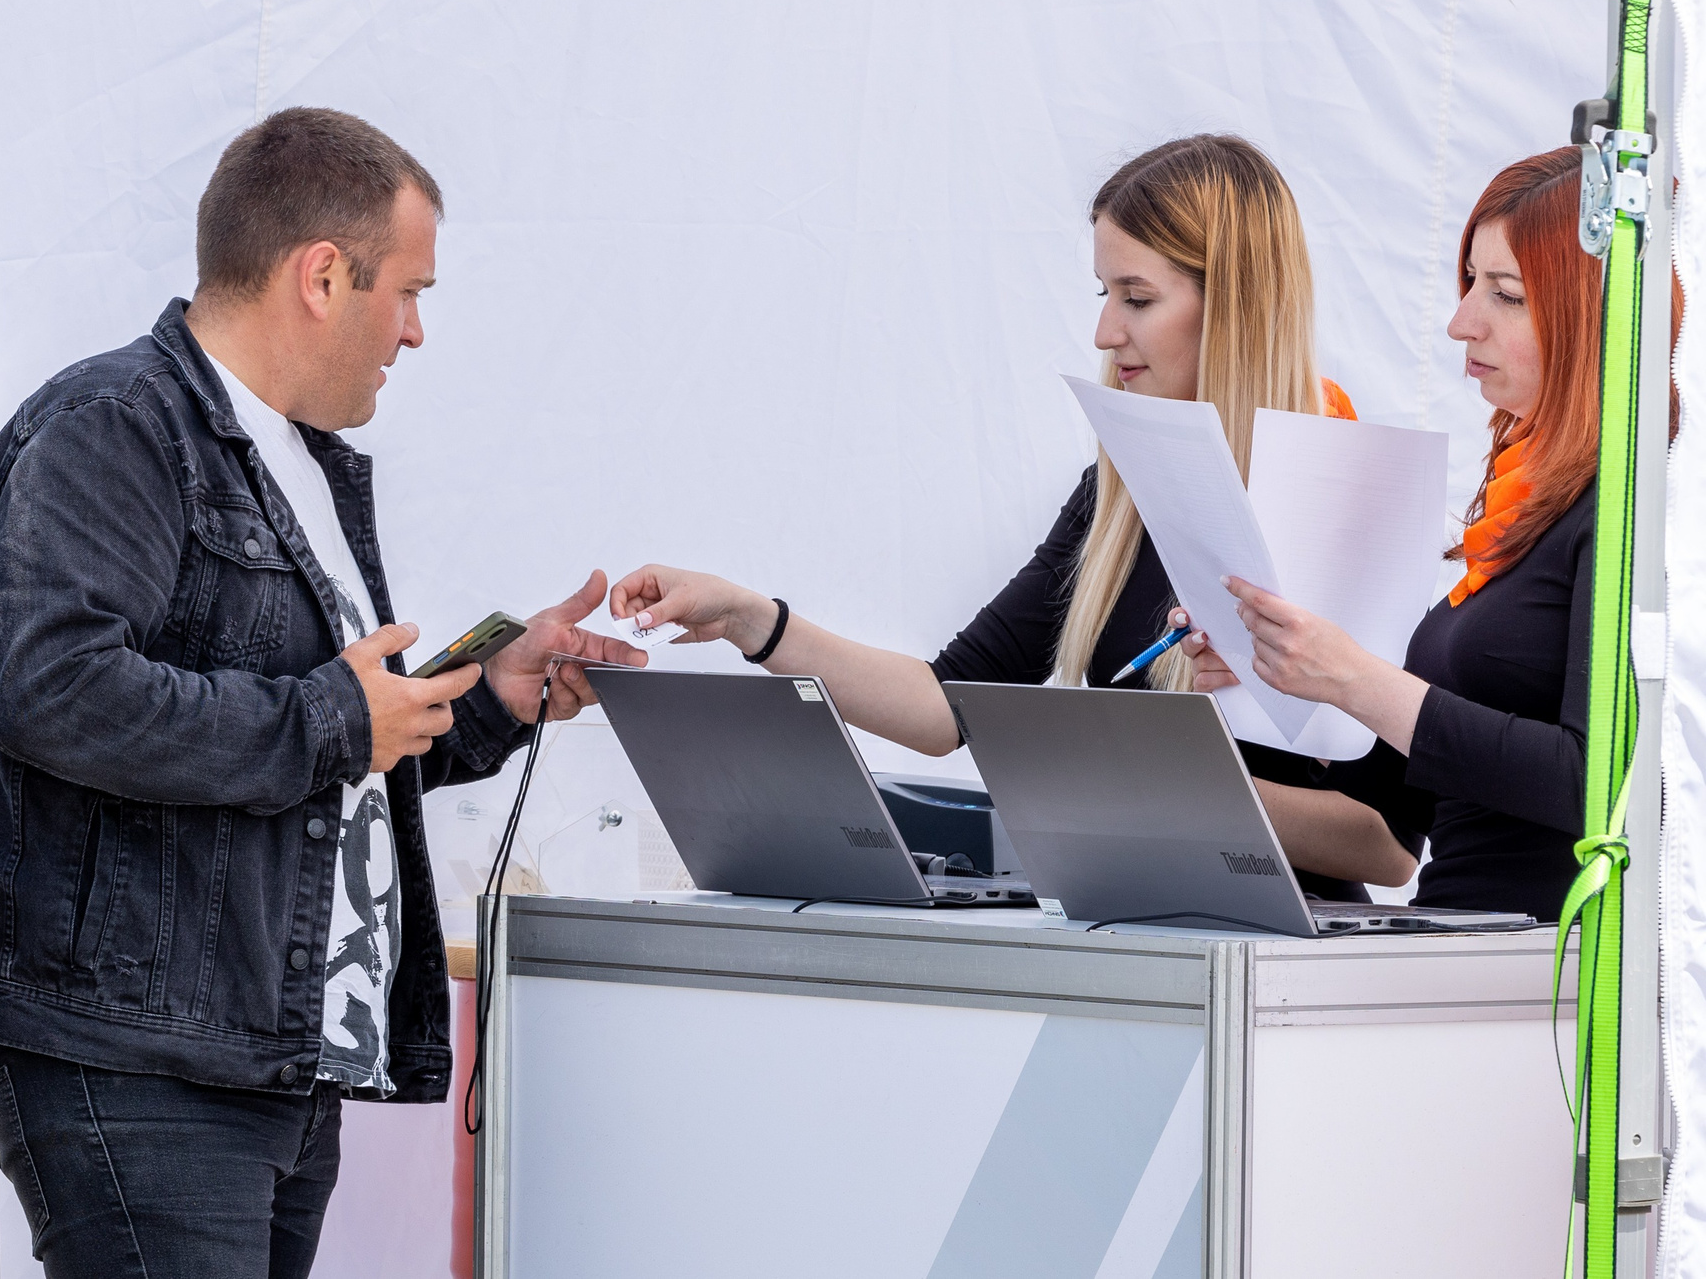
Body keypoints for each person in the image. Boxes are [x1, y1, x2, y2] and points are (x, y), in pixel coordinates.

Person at [0, 107, 643, 1278]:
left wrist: (492, 696)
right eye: (407, 292)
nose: (414, 334)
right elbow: (56, 693)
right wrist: (337, 717)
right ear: (320, 275)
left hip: (268, 1056)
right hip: (137, 1054)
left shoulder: (291, 458)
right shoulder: (112, 429)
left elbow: (332, 742)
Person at [611, 133, 1417, 895]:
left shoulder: (1347, 507)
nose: (1106, 330)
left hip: (1278, 972)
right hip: (1127, 937)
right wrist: (754, 620)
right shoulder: (1118, 495)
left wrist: (1159, 787)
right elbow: (947, 704)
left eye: (1137, 297)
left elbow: (1385, 846)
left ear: (1236, 303)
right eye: (1107, 293)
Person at [1189, 148, 1605, 920]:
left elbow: (1593, 785)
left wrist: (1352, 676)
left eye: (1505, 294)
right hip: (1451, 934)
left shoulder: (1634, 518)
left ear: (1590, 314)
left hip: (1548, 974)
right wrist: (1286, 674)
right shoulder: (1528, 497)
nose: (1460, 321)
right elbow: (1407, 792)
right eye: (1470, 284)